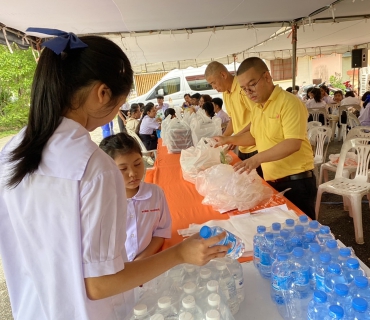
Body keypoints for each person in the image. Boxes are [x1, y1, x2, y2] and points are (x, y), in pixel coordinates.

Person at [0, 32, 229, 320]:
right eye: (120, 102)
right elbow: (100, 283)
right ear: (102, 93)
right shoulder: (93, 168)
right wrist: (180, 253)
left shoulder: (12, 152)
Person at [214, 57, 316, 219]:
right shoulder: (258, 107)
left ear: (267, 77)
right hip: (273, 181)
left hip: (296, 182)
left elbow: (293, 143)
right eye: (244, 89)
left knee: (304, 232)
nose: (249, 92)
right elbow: (254, 137)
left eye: (252, 85)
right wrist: (228, 140)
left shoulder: (289, 103)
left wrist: (256, 159)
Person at [99, 133, 172, 262]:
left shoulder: (155, 194)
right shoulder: (101, 202)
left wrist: (140, 262)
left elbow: (161, 231)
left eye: (138, 164)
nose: (133, 173)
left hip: (147, 264)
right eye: (123, 169)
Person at [205, 61, 262, 177]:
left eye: (213, 83)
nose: (214, 87)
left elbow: (259, 117)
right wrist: (225, 136)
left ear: (223, 75)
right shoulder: (226, 92)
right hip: (243, 146)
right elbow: (233, 119)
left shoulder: (243, 88)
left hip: (257, 146)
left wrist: (233, 138)